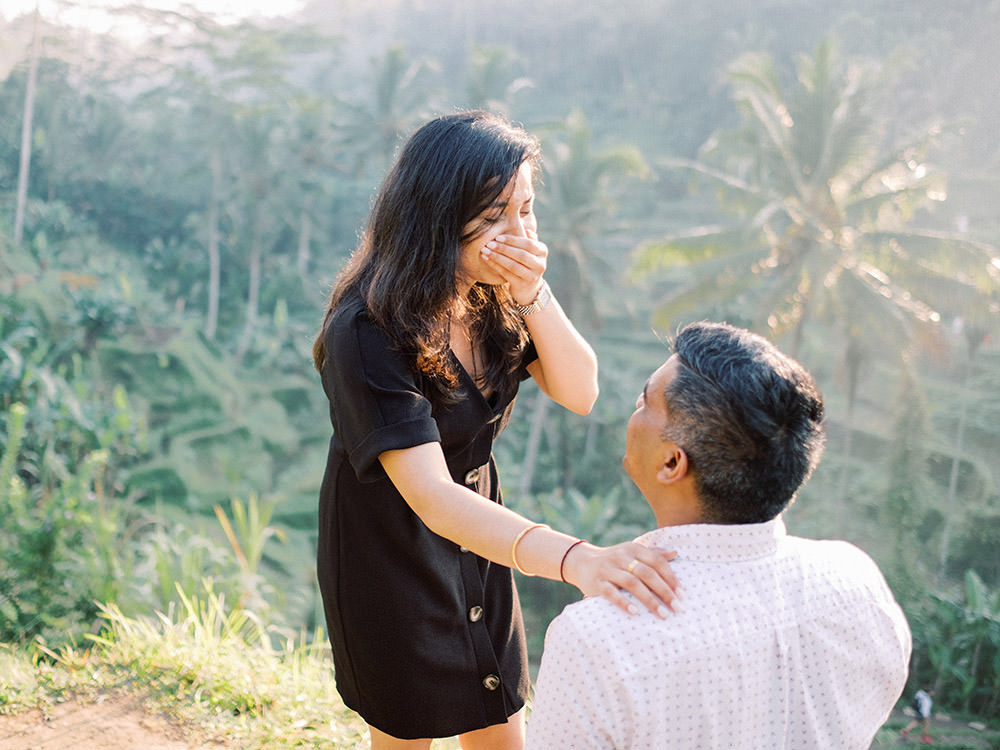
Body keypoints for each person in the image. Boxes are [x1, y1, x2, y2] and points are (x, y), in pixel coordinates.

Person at [312, 110, 681, 749]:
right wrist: (578, 560)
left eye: (527, 211)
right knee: (407, 731)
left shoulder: (496, 296)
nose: (518, 234)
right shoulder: (367, 331)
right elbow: (429, 495)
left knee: (501, 720)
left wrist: (536, 290)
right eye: (492, 217)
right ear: (435, 217)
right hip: (389, 553)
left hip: (483, 534)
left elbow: (581, 391)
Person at [526, 321, 912, 749]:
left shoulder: (600, 638)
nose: (635, 407)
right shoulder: (855, 580)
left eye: (646, 400)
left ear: (672, 463)